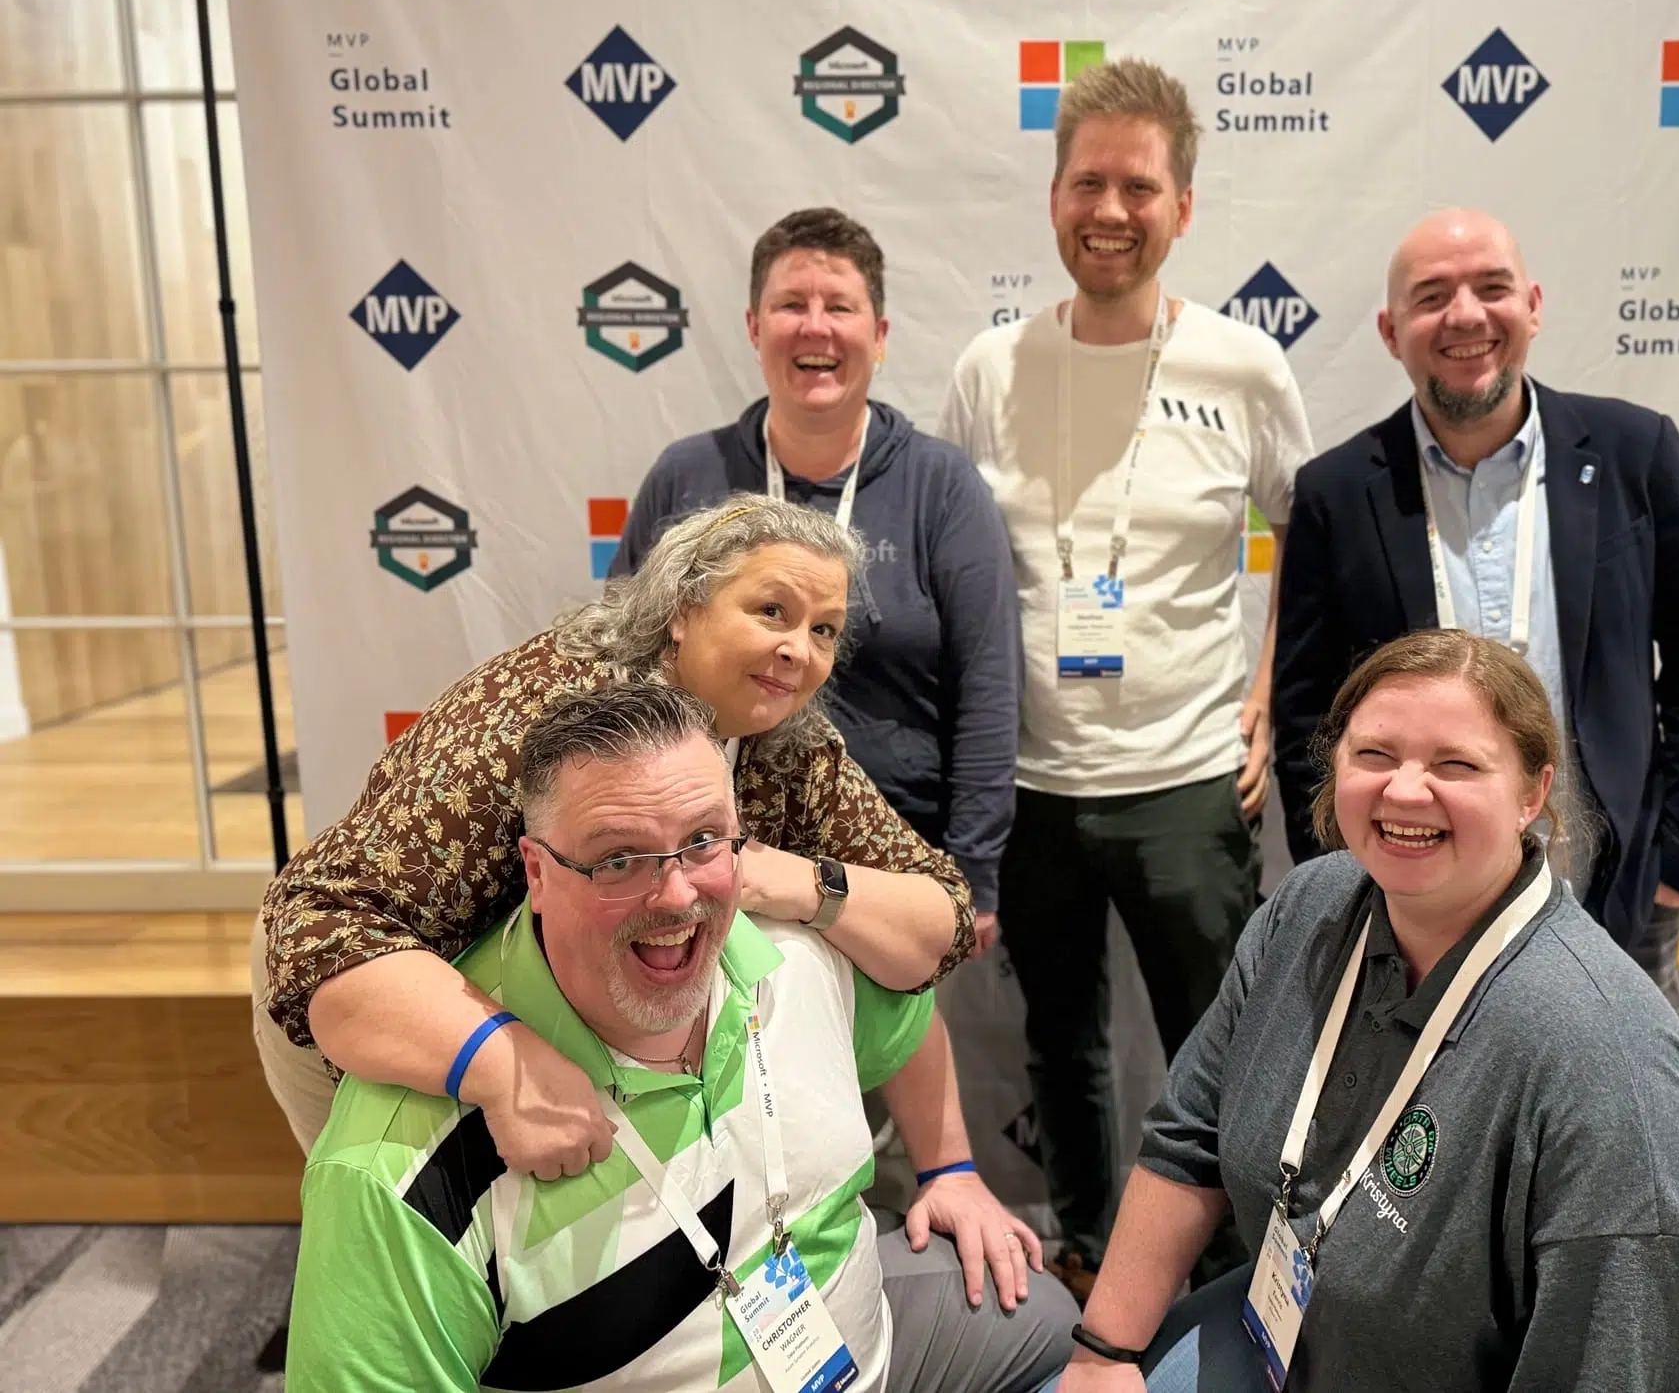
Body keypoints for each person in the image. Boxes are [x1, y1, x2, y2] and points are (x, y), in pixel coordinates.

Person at [288, 681, 1077, 1392]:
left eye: (703, 841)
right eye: (619, 858)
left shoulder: (801, 963)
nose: (674, 896)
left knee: (1042, 1316)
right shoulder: (400, 1170)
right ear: (535, 870)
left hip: (848, 1347)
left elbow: (907, 1014)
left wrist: (954, 1168)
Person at [1047, 631, 1679, 1392]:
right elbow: (1189, 1137)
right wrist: (1103, 1353)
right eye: (1375, 755)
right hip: (1293, 1340)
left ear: (1531, 794)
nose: (1405, 792)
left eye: (1456, 765)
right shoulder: (1309, 909)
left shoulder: (1608, 1070)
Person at [252, 495, 976, 1174]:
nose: (799, 649)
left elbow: (941, 915)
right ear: (683, 612)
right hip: (386, 1009)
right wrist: (503, 1064)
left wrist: (796, 881)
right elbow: (323, 931)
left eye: (823, 630)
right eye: (771, 611)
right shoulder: (539, 716)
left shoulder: (787, 740)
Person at [942, 57, 1315, 1297]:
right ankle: (1094, 1253)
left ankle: (1214, 1275)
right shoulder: (987, 370)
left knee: (1216, 1044)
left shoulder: (1243, 368)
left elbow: (1313, 550)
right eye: (1086, 181)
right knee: (1061, 1046)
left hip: (1188, 779)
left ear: (1182, 207)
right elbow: (954, 571)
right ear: (1052, 195)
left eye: (1137, 186)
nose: (1110, 209)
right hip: (1033, 784)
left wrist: (1267, 693)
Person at [1272, 208, 1679, 1026]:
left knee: (1627, 1142)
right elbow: (1307, 716)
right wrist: (1357, 877)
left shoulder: (1637, 454)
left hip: (1614, 906)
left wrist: (1676, 862)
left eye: (1491, 289)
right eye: (1431, 297)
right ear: (1391, 330)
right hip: (1415, 913)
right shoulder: (1337, 494)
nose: (1464, 316)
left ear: (1532, 306)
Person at [610, 207, 1020, 957]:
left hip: (891, 861)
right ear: (754, 327)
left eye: (840, 307)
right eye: (791, 305)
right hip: (693, 857)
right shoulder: (687, 477)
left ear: (881, 335)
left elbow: (988, 689)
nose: (815, 327)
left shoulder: (942, 486)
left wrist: (974, 876)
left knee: (884, 1068)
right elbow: (619, 667)